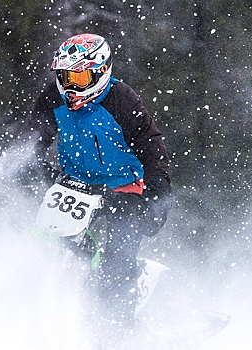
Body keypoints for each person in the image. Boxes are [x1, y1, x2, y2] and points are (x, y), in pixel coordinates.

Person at [23, 33, 172, 343]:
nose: (73, 85)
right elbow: (30, 141)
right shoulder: (53, 99)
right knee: (45, 243)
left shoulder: (120, 98)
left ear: (102, 71)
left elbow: (150, 143)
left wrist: (156, 191)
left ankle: (119, 333)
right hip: (74, 186)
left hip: (123, 189)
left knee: (117, 262)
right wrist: (32, 169)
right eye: (66, 76)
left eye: (81, 76)